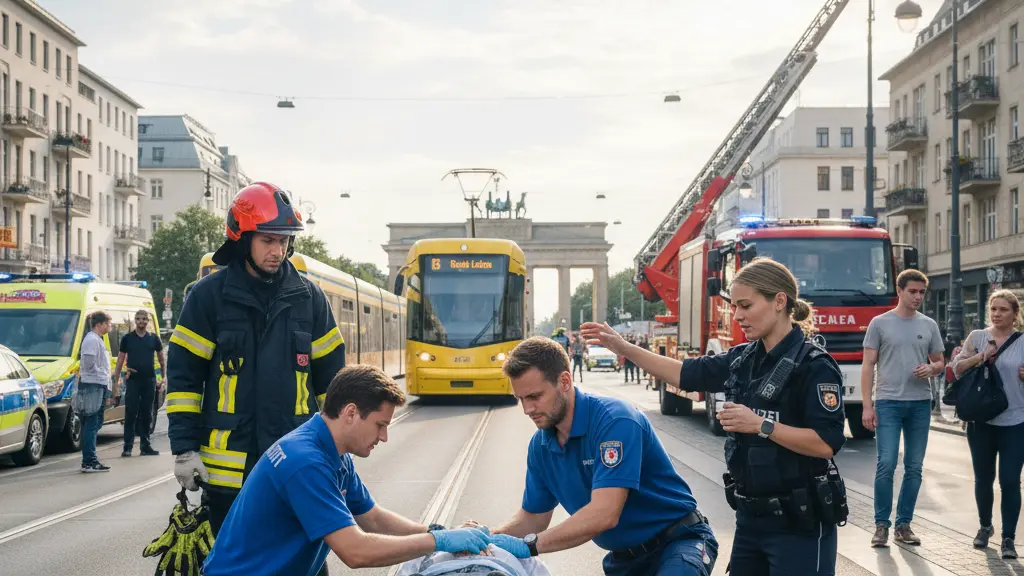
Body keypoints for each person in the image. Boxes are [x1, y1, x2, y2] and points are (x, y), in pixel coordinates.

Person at [583, 257, 850, 575]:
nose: (737, 316)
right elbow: (685, 374)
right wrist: (623, 348)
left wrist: (761, 425)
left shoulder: (814, 365)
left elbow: (826, 444)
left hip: (800, 524)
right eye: (735, 306)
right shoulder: (745, 357)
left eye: (746, 306)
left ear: (779, 301)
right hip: (751, 521)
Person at [166, 182, 347, 544]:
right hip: (229, 475)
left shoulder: (308, 298)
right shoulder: (207, 298)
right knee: (237, 566)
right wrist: (184, 450)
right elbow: (184, 380)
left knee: (303, 565)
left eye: (283, 242)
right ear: (241, 239)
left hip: (294, 465)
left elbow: (335, 384)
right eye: (267, 240)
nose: (278, 251)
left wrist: (338, 448)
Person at [201, 364, 494, 576]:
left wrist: (437, 531)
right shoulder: (306, 462)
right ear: (351, 413)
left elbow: (373, 518)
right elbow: (356, 552)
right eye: (380, 425)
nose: (384, 437)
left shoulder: (333, 452)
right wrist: (438, 542)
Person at [485, 336, 718, 575]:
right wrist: (484, 539)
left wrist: (530, 546)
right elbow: (533, 518)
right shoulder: (540, 446)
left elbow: (604, 515)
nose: (527, 409)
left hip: (678, 542)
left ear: (564, 381)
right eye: (520, 399)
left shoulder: (614, 420)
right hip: (625, 560)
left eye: (534, 396)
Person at [860, 269, 944, 547]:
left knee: (915, 467)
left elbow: (940, 363)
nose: (918, 296)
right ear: (900, 291)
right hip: (888, 402)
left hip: (920, 404)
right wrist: (867, 407)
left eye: (922, 292)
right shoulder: (879, 323)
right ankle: (881, 526)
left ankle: (903, 525)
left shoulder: (929, 325)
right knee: (886, 464)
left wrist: (931, 368)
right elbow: (868, 366)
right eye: (913, 291)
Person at [951, 289, 1024, 559]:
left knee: (1009, 480)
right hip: (981, 420)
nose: (997, 314)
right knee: (983, 479)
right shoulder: (978, 337)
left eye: (1003, 309)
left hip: (1016, 420)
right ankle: (984, 527)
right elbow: (957, 368)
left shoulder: (1022, 342)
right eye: (993, 309)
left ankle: (1008, 538)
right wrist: (980, 357)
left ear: (1015, 314)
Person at [113, 309, 165, 457]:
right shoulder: (127, 339)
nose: (141, 321)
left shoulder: (153, 339)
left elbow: (161, 359)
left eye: (144, 319)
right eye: (138, 319)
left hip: (149, 380)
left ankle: (145, 445)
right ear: (135, 321)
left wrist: (163, 377)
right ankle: (127, 447)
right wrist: (116, 382)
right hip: (133, 380)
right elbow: (120, 360)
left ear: (148, 321)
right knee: (130, 414)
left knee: (147, 413)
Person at [77, 311, 115, 473]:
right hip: (92, 385)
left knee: (95, 422)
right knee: (91, 423)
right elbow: (88, 363)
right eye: (108, 324)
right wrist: (101, 375)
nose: (110, 327)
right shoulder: (91, 340)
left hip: (98, 384)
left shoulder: (96, 339)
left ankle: (89, 460)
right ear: (100, 324)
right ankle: (90, 461)